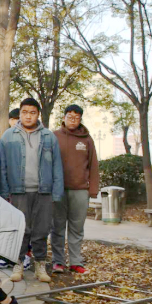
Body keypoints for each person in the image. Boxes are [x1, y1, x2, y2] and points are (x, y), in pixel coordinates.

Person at [0, 97, 64, 284]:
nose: (28, 116)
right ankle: (18, 263)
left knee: (41, 229)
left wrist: (56, 193)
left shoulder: (49, 137)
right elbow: (2, 166)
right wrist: (4, 193)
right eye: (25, 112)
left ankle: (40, 264)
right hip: (18, 191)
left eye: (32, 112)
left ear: (38, 115)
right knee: (20, 229)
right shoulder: (8, 136)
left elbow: (57, 166)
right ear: (19, 114)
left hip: (44, 191)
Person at [51, 104, 99, 274]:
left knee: (77, 228)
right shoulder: (54, 136)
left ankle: (75, 261)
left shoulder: (86, 139)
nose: (73, 120)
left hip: (80, 190)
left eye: (76, 117)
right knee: (57, 227)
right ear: (64, 117)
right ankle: (58, 261)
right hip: (58, 190)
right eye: (70, 116)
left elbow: (93, 165)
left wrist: (92, 189)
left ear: (80, 120)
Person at [0, 107, 32, 271]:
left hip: (24, 190)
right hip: (8, 190)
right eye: (15, 119)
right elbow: (1, 165)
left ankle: (25, 256)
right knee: (8, 225)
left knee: (24, 225)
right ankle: (8, 257)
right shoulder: (6, 139)